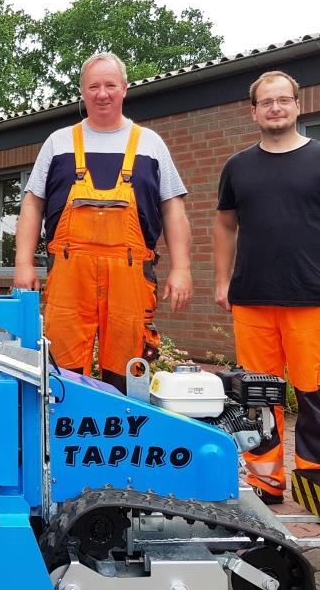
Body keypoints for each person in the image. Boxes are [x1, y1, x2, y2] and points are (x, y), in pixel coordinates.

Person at [214, 70, 320, 505]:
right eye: (267, 102)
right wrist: (222, 279)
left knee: (314, 395)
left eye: (284, 100)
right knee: (258, 398)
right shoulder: (237, 167)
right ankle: (266, 481)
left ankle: (319, 484)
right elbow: (225, 225)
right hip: (252, 302)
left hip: (313, 300)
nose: (276, 108)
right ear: (254, 112)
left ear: (298, 106)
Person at [13, 52, 192, 392]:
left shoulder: (151, 144)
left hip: (131, 274)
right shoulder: (58, 142)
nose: (102, 93)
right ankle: (63, 441)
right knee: (61, 371)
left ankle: (122, 440)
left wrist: (181, 268)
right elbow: (32, 204)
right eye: (93, 86)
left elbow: (173, 209)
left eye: (110, 85)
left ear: (124, 88)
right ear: (82, 92)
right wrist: (23, 263)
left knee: (127, 369)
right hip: (69, 273)